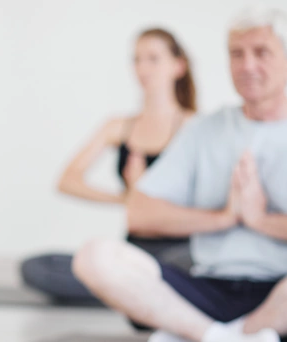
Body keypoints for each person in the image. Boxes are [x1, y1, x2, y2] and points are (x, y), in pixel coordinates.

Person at [72, 7, 287, 342]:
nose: (247, 66)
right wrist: (226, 217)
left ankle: (219, 336)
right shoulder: (203, 130)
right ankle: (221, 335)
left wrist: (259, 220)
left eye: (261, 53)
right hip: (207, 288)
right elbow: (139, 212)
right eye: (236, 54)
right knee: (95, 256)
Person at [22, 28, 196, 304]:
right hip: (133, 251)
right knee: (37, 267)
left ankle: (132, 292)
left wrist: (145, 195)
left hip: (179, 253)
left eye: (153, 59)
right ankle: (129, 292)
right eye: (137, 59)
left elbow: (206, 202)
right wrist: (127, 198)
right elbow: (68, 180)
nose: (142, 68)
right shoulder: (118, 126)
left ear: (178, 66)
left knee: (182, 269)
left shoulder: (195, 127)